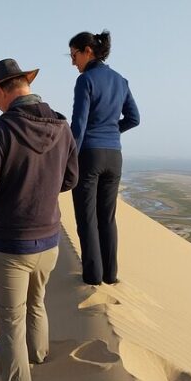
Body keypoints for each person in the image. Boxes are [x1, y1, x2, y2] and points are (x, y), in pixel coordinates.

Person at [0, 58, 78, 381]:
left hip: (11, 245)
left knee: (11, 326)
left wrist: (16, 187)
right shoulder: (62, 126)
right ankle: (40, 356)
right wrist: (41, 187)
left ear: (3, 89)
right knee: (37, 303)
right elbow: (72, 178)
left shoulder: (1, 130)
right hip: (49, 241)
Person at [68, 30, 140, 286]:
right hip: (114, 157)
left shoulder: (86, 80)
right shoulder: (121, 81)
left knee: (86, 218)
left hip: (89, 156)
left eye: (74, 54)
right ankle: (110, 275)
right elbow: (134, 118)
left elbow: (78, 125)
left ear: (88, 50)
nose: (72, 61)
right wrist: (111, 131)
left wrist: (69, 159)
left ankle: (93, 278)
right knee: (107, 218)